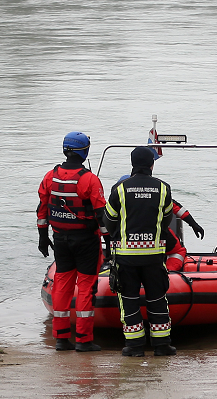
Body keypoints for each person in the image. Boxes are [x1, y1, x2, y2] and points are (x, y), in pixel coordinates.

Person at [103, 147, 181, 356]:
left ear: (132, 164)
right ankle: (162, 345)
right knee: (157, 299)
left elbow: (109, 220)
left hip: (126, 258)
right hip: (154, 257)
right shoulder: (163, 188)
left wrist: (121, 235)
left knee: (128, 301)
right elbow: (167, 218)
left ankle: (135, 347)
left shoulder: (120, 189)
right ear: (152, 164)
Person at [37, 131, 109, 352]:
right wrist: (110, 241)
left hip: (60, 239)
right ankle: (83, 340)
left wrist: (42, 237)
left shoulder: (50, 176)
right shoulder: (89, 179)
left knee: (62, 285)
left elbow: (42, 209)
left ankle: (60, 338)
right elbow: (101, 214)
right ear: (85, 152)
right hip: (86, 241)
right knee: (86, 287)